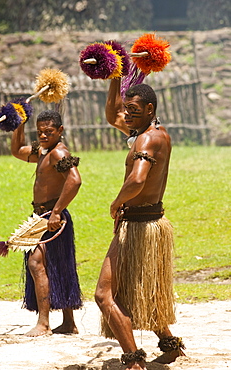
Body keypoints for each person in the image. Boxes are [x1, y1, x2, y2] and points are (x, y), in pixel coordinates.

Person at [95, 79, 185, 369]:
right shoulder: (155, 133)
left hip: (137, 226)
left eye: (133, 110)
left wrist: (117, 201)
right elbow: (111, 116)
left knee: (104, 295)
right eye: (126, 109)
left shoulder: (145, 139)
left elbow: (136, 179)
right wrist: (115, 79)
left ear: (150, 108)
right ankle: (171, 347)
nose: (127, 115)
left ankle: (134, 361)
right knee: (142, 291)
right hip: (150, 222)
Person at [11, 110, 82, 337]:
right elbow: (17, 151)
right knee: (60, 265)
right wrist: (19, 125)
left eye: (48, 132)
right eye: (39, 132)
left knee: (35, 263)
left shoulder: (58, 152)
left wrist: (57, 212)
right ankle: (69, 323)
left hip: (52, 218)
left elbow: (75, 180)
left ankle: (43, 323)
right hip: (45, 216)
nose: (42, 136)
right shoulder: (44, 151)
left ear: (60, 131)